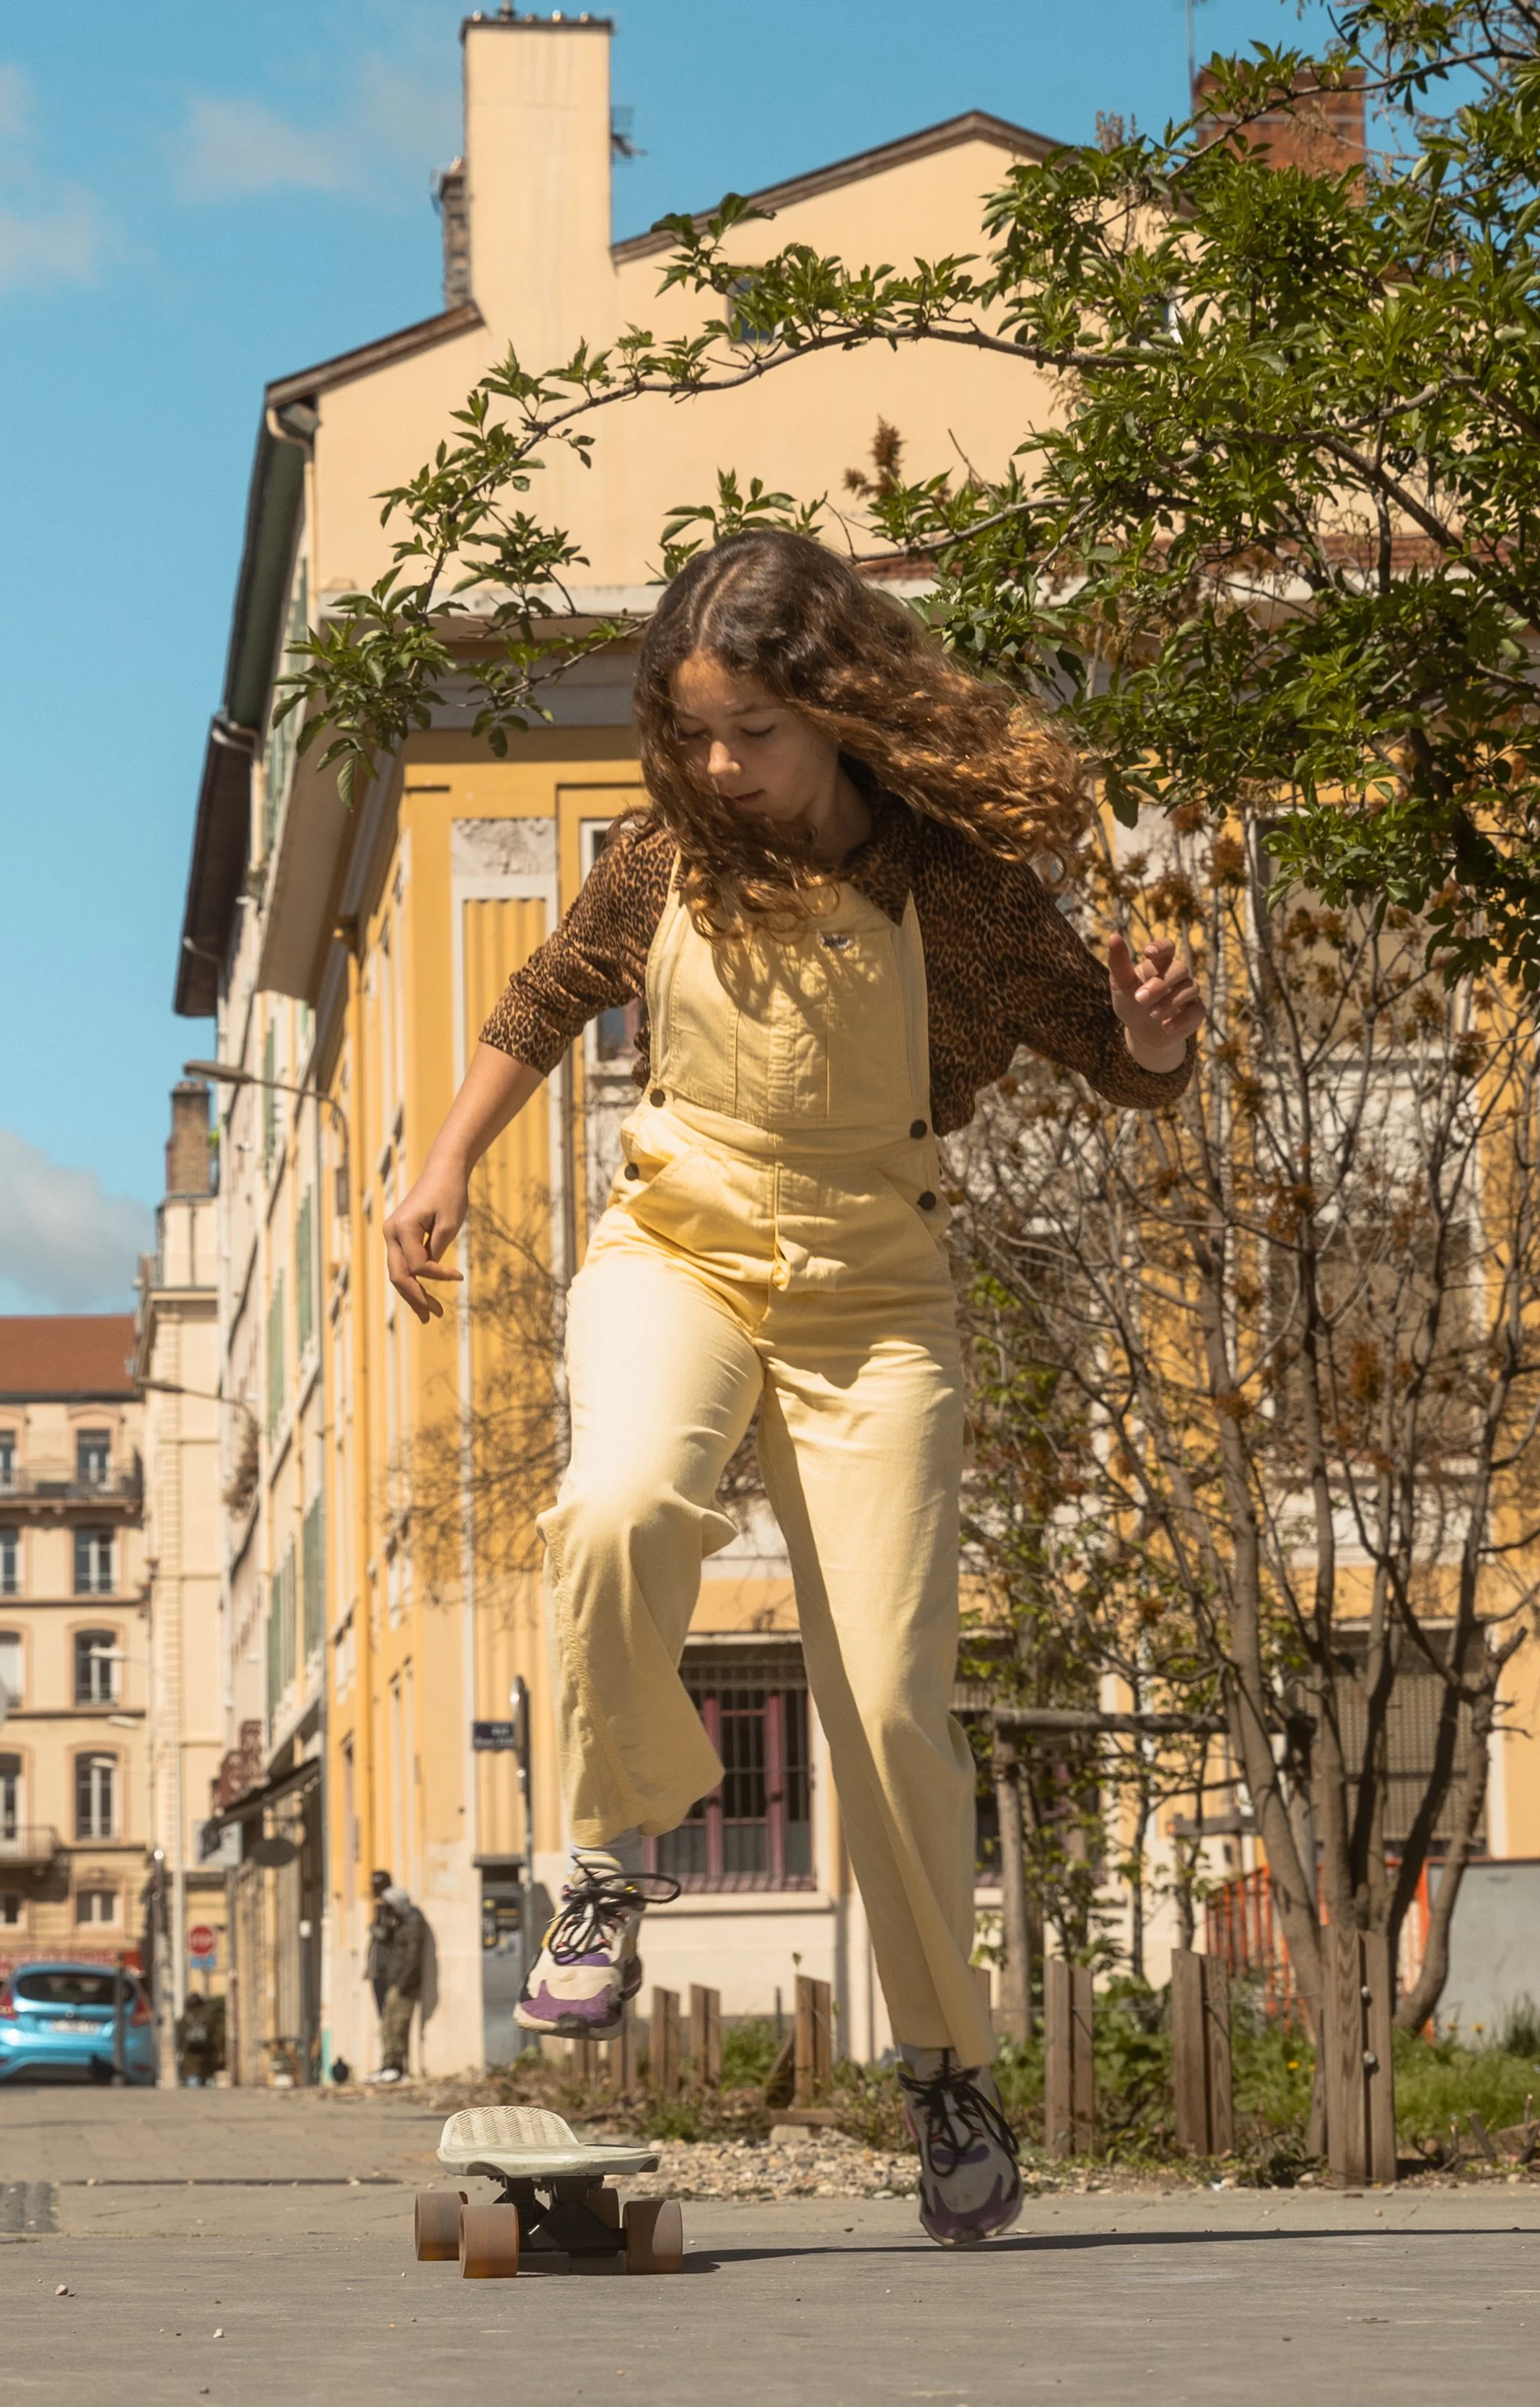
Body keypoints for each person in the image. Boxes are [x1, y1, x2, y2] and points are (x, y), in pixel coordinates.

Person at [382, 530, 1204, 2246]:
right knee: (614, 1506)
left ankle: (944, 2071)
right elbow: (537, 997)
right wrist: (442, 1161)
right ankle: (602, 1864)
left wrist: (1150, 1035)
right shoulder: (663, 859)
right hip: (678, 1246)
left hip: (875, 1296)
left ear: (833, 710)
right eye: (688, 733)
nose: (716, 768)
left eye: (749, 732)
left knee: (892, 1706)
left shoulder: (957, 887)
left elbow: (1116, 1072)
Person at [364, 1871, 427, 2085]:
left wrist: (403, 1982)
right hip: (394, 1980)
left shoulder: (413, 1923)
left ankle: (397, 2066)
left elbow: (412, 1956)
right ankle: (388, 2064)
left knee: (398, 2025)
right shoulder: (398, 1923)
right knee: (387, 2025)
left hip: (404, 1983)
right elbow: (384, 1937)